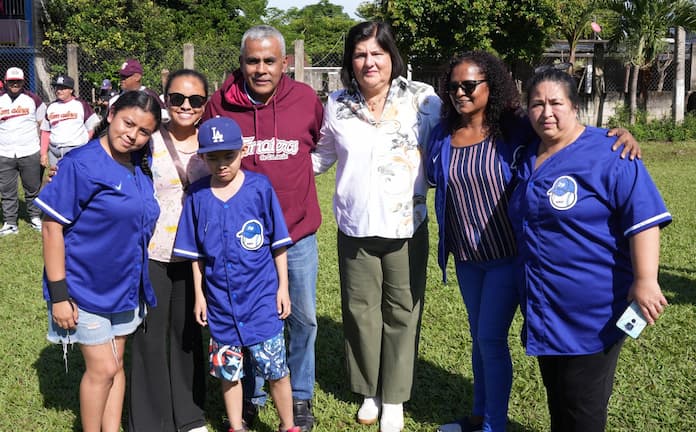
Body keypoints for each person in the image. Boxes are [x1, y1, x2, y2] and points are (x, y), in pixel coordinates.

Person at [428, 52, 642, 432]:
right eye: (453, 86)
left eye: (469, 85)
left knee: (490, 339)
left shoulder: (514, 127)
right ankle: (479, 416)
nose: (460, 92)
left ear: (490, 86)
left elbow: (564, 130)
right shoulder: (443, 134)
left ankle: (493, 425)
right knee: (478, 339)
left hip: (507, 256)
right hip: (466, 256)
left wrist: (616, 133)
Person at [508, 68, 671, 432]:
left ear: (575, 106)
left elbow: (643, 217)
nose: (546, 112)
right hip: (544, 306)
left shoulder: (610, 152)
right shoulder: (526, 153)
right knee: (559, 399)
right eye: (537, 104)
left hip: (592, 312)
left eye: (556, 103)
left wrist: (646, 279)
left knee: (583, 407)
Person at [312, 21, 441, 432]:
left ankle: (396, 398)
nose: (369, 62)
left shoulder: (424, 100)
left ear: (391, 56)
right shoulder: (336, 104)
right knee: (359, 312)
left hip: (407, 225)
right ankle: (369, 390)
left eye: (377, 53)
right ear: (351, 61)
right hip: (355, 226)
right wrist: (263, 170)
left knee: (403, 312)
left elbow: (454, 142)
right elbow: (320, 158)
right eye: (360, 54)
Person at [202, 25, 323, 431]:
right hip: (241, 242)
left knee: (302, 317)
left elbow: (319, 146)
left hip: (296, 230)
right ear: (241, 63)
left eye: (270, 60)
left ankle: (300, 394)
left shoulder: (305, 100)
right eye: (252, 60)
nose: (261, 68)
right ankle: (251, 396)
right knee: (242, 318)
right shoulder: (220, 105)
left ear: (284, 63)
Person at [34, 90, 162, 432]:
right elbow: (51, 228)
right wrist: (59, 295)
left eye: (144, 131)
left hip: (124, 286)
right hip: (84, 288)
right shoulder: (82, 164)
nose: (132, 135)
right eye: (128, 123)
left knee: (117, 365)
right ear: (110, 115)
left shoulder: (139, 164)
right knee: (102, 369)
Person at [173, 116, 300, 432]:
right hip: (220, 305)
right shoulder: (198, 196)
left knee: (276, 369)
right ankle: (236, 425)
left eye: (228, 155)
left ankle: (288, 425)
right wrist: (200, 295)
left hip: (260, 300)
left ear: (242, 151)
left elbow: (278, 244)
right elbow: (196, 255)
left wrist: (282, 287)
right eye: (213, 157)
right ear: (202, 157)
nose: (221, 164)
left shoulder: (259, 188)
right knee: (229, 373)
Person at [128, 69, 210, 432]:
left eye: (195, 100)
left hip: (197, 257)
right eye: (177, 98)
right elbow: (108, 155)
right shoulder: (149, 140)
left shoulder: (213, 140)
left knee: (188, 334)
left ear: (205, 103)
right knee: (148, 336)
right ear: (165, 99)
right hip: (152, 252)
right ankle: (149, 421)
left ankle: (189, 415)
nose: (185, 106)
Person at [0, 66, 46, 235]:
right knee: (7, 191)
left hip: (29, 150)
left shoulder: (33, 99)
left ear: (23, 81)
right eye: (11, 81)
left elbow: (44, 124)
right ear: (5, 82)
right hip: (4, 152)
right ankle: (10, 223)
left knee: (32, 188)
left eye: (18, 81)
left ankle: (35, 218)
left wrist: (42, 151)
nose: (15, 84)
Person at [40, 74, 100, 168]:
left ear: (71, 90)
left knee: (77, 179)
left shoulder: (81, 104)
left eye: (63, 88)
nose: (59, 91)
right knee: (57, 180)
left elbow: (94, 127)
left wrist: (85, 145)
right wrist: (43, 153)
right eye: (57, 87)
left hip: (76, 150)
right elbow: (45, 131)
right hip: (55, 152)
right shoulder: (51, 106)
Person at [110, 58, 169, 122]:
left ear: (137, 77)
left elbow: (165, 118)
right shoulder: (115, 99)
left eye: (125, 76)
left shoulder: (150, 96)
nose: (121, 79)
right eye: (121, 76)